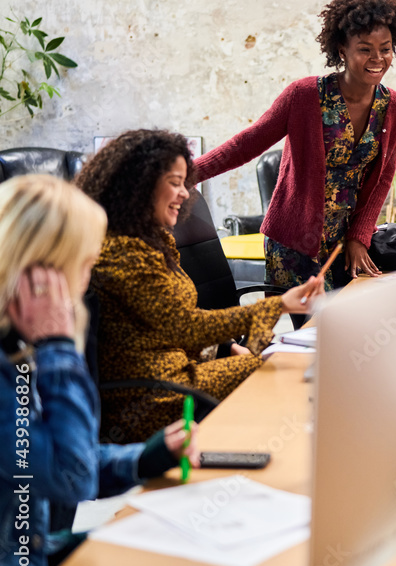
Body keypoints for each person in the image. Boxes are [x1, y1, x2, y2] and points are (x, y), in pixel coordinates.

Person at [0, 175, 200, 566]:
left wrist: (143, 458)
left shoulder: (18, 349)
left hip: (36, 560)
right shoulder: (23, 361)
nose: (86, 284)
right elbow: (71, 479)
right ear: (42, 275)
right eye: (85, 265)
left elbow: (49, 459)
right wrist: (58, 347)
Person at [77, 130, 318, 444]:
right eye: (174, 183)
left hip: (176, 373)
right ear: (140, 183)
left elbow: (172, 323)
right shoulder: (123, 252)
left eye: (184, 183)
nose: (184, 193)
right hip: (150, 396)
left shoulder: (153, 240)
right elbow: (182, 327)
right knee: (281, 374)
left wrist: (225, 348)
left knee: (281, 368)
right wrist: (278, 305)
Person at [194, 0, 396, 291]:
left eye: (385, 49)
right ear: (342, 50)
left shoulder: (394, 107)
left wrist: (359, 236)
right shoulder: (305, 95)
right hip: (292, 244)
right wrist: (186, 174)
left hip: (346, 246)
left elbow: (383, 178)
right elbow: (248, 143)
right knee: (300, 336)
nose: (377, 58)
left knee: (345, 333)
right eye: (365, 49)